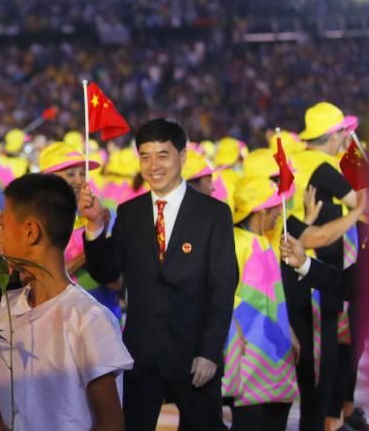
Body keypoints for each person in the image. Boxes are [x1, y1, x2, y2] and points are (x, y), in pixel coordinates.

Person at [80, 118, 237, 431]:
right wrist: (95, 226)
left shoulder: (213, 214)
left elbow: (222, 289)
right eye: (145, 156)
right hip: (142, 355)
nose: (153, 166)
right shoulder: (129, 212)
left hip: (195, 359)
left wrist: (209, 352)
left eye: (162, 155)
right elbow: (106, 271)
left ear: (182, 156)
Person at [0, 174, 132, 431]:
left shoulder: (88, 318)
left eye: (4, 224)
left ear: (31, 232)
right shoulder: (7, 310)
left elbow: (111, 422)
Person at [283, 103, 362, 431]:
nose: (347, 137)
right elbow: (362, 203)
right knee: (320, 360)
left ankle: (326, 420)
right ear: (333, 135)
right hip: (312, 271)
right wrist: (356, 157)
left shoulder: (297, 160)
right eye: (343, 132)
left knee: (313, 358)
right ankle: (322, 424)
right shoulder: (324, 167)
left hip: (290, 267)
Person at [221, 177, 297, 431]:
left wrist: (290, 335)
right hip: (250, 358)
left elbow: (275, 298)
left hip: (277, 352)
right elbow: (223, 294)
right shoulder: (235, 242)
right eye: (275, 207)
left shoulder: (264, 240)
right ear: (260, 210)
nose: (279, 213)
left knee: (276, 420)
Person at [38, 141, 120, 319]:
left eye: (83, 173)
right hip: (63, 320)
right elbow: (40, 280)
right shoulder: (36, 223)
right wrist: (90, 249)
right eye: (70, 174)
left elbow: (115, 282)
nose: (80, 180)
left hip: (102, 317)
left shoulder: (95, 216)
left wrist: (99, 232)